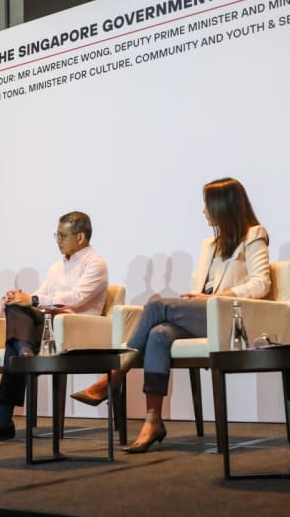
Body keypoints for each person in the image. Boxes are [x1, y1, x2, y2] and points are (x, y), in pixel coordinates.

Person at [71, 177, 270, 453]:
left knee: (155, 306)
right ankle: (153, 421)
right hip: (204, 314)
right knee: (158, 334)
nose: (203, 212)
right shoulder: (209, 245)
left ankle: (113, 377)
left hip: (229, 316)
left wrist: (215, 298)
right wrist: (198, 298)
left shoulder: (254, 235)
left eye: (207, 205)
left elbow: (261, 284)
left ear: (223, 206)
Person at [0, 210, 108, 442]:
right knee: (16, 308)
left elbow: (77, 298)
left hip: (75, 328)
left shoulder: (95, 264)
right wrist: (19, 297)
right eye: (56, 236)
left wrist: (33, 301)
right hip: (48, 325)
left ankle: (3, 418)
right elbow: (39, 295)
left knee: (18, 333)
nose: (58, 241)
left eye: (62, 236)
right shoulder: (57, 267)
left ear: (80, 237)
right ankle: (24, 354)